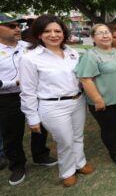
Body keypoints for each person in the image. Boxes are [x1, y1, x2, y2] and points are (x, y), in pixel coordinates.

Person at [19, 15, 93, 187]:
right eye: (47, 31)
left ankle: (80, 163)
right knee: (64, 140)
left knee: (77, 136)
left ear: (63, 33)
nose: (53, 35)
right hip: (52, 106)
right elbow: (27, 91)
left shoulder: (72, 53)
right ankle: (67, 171)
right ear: (39, 34)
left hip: (77, 101)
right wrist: (32, 117)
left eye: (57, 31)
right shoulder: (30, 58)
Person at [0, 15, 57, 186]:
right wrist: (16, 82)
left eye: (18, 25)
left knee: (39, 126)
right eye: (11, 26)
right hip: (8, 98)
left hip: (35, 93)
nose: (17, 29)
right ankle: (17, 166)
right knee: (12, 134)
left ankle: (40, 154)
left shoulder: (29, 47)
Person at [75, 24, 116, 166]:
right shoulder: (90, 56)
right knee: (109, 129)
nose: (105, 35)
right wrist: (97, 99)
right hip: (102, 101)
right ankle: (115, 153)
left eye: (107, 32)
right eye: (100, 33)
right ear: (93, 37)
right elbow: (86, 79)